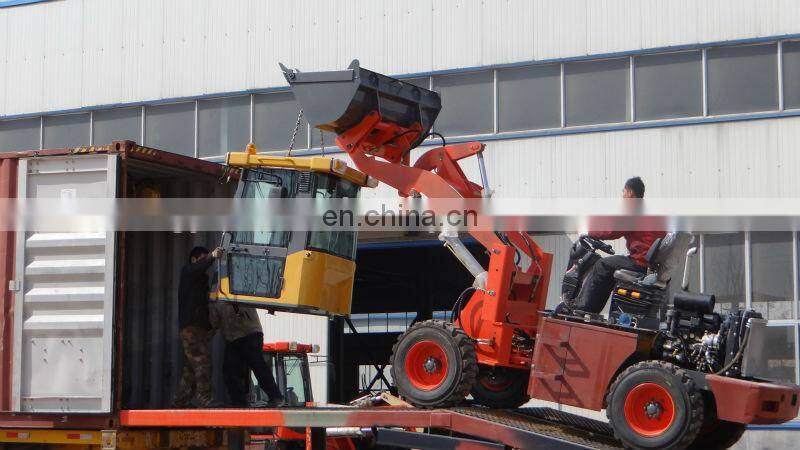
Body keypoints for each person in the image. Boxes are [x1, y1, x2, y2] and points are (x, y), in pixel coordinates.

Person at [576, 177, 665, 313]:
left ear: (629, 192)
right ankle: (591, 310)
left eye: (623, 192)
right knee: (610, 268)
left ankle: (583, 307)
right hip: (649, 265)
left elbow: (612, 230)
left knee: (602, 265)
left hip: (640, 263)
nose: (622, 196)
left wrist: (588, 231)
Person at [174, 245, 223, 408]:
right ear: (194, 260)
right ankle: (204, 398)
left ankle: (180, 401)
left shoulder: (200, 279)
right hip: (191, 328)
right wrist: (212, 256)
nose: (205, 262)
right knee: (202, 363)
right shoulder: (188, 272)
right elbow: (198, 267)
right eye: (202, 259)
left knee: (191, 370)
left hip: (199, 328)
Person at [210, 301, 285, 407]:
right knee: (230, 371)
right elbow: (214, 321)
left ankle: (275, 396)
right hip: (233, 337)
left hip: (250, 332)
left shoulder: (238, 286)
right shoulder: (215, 296)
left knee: (257, 364)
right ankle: (239, 403)